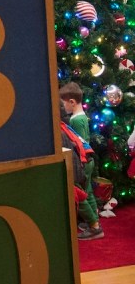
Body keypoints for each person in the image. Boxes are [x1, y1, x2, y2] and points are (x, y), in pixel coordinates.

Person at [59, 81, 103, 239]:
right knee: (88, 192)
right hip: (87, 158)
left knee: (83, 193)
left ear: (71, 102)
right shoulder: (81, 117)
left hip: (82, 159)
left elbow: (79, 141)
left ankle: (94, 225)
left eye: (63, 104)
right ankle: (94, 221)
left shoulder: (75, 120)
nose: (63, 108)